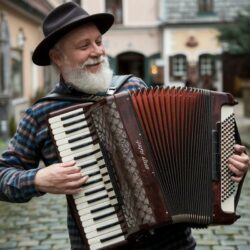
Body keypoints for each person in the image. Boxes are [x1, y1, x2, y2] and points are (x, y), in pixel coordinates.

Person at [0, 2, 249, 250]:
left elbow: (186, 147)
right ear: (57, 57)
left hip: (174, 243)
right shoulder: (41, 114)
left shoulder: (133, 87)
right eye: (84, 46)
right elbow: (3, 175)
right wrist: (37, 179)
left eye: (98, 41)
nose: (97, 51)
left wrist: (227, 161)